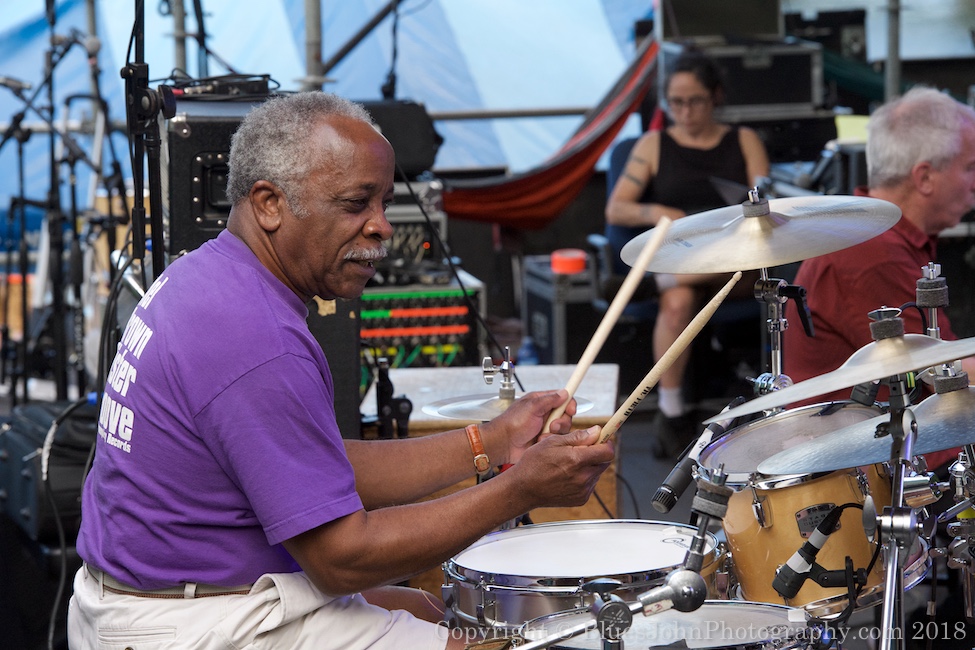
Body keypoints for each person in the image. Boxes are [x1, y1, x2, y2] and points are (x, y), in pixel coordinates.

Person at [67, 92, 616, 650]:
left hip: (152, 596)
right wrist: (521, 490)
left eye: (383, 202)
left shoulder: (204, 275)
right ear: (269, 203)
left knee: (424, 607)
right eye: (357, 204)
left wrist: (494, 440)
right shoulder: (255, 338)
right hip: (193, 624)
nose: (381, 226)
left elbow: (307, 463)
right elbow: (342, 561)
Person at [783, 86, 975, 468]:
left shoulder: (876, 235)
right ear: (924, 178)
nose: (974, 180)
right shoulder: (871, 253)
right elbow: (951, 376)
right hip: (869, 472)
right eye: (970, 167)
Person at [604, 50, 770, 456]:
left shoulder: (743, 140)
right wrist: (658, 210)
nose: (685, 111)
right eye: (675, 103)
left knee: (710, 274)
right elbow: (616, 207)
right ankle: (672, 413)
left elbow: (766, 199)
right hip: (684, 257)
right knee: (676, 301)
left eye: (694, 101)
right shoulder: (653, 144)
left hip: (736, 260)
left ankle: (652, 282)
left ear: (715, 97)